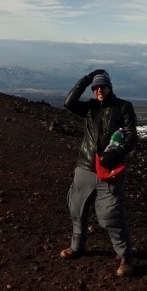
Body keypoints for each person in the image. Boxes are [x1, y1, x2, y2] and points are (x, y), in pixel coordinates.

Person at [59, 69, 138, 277]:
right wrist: (87, 78)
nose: (99, 90)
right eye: (95, 87)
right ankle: (77, 247)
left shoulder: (123, 107)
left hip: (109, 170)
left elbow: (131, 137)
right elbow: (69, 102)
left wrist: (114, 155)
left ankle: (126, 258)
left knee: (110, 215)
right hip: (85, 166)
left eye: (102, 86)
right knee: (77, 209)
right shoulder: (91, 108)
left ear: (110, 87)